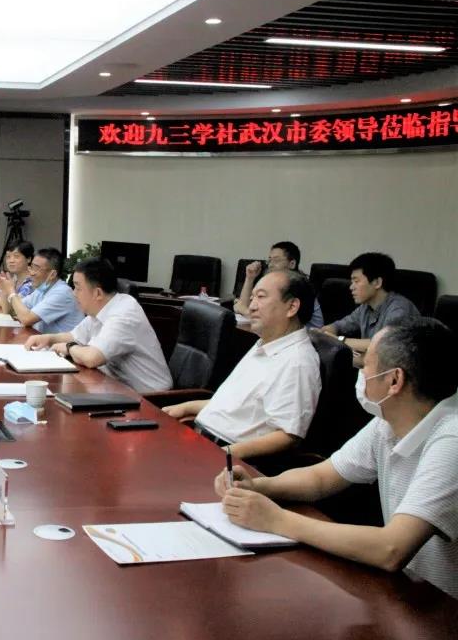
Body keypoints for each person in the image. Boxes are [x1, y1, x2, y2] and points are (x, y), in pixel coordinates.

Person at [215, 318, 458, 599]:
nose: (361, 371)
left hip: (443, 609)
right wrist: (258, 486)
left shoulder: (451, 440)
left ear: (394, 380)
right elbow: (321, 478)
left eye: (366, 363)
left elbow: (391, 548)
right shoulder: (389, 420)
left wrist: (276, 520)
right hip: (408, 591)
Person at [163, 270, 321, 461]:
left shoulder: (297, 362)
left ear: (292, 307)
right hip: (200, 439)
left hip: (227, 455)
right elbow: (235, 406)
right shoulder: (266, 342)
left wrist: (224, 454)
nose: (251, 306)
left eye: (261, 297)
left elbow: (287, 436)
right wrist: (185, 407)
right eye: (252, 297)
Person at [25, 258, 171, 392]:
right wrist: (49, 339)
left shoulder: (124, 314)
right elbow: (74, 336)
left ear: (98, 293)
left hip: (151, 399)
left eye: (78, 288)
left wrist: (69, 348)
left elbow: (92, 358)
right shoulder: (101, 308)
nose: (74, 293)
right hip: (117, 388)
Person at [321, 252, 419, 368]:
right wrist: (325, 332)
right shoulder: (365, 307)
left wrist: (339, 340)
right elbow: (340, 325)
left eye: (356, 281)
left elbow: (383, 345)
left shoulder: (399, 309)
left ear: (377, 282)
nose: (351, 287)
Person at [234, 241, 323, 329]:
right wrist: (250, 278)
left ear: (292, 264)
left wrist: (244, 310)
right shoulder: (273, 283)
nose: (270, 265)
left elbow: (278, 321)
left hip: (309, 335)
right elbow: (244, 305)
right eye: (269, 260)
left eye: (276, 260)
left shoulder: (299, 286)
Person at [0, 247, 83, 334]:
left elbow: (26, 319)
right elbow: (10, 311)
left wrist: (11, 291)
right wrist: (3, 290)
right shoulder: (41, 290)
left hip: (63, 343)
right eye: (31, 267)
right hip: (43, 341)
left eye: (36, 269)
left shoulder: (62, 293)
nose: (31, 273)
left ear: (52, 274)